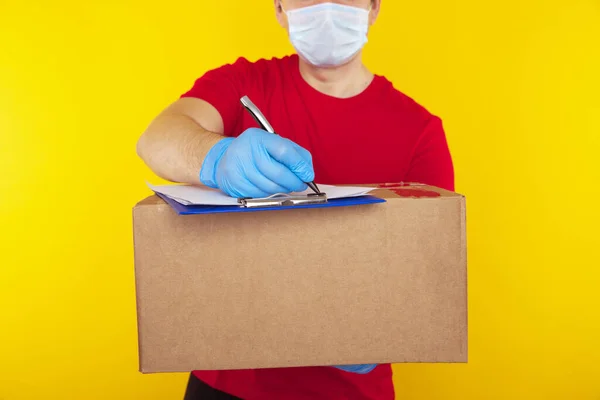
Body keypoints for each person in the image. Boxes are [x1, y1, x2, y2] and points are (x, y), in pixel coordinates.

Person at [136, 0, 455, 398]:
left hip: (350, 392)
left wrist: (385, 328)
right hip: (225, 383)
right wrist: (215, 158)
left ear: (374, 7)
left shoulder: (419, 131)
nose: (325, 5)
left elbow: (431, 276)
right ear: (279, 8)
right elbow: (156, 139)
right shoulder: (242, 85)